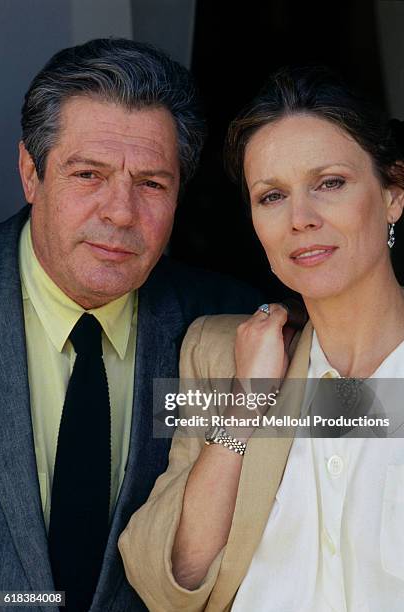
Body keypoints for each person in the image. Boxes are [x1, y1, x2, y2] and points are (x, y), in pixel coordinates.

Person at [119, 66, 404, 611]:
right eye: (272, 196)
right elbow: (165, 585)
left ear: (393, 192)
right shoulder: (215, 352)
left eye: (330, 183)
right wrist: (244, 409)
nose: (301, 218)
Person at [0, 38, 265, 612]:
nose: (120, 212)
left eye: (151, 184)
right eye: (89, 174)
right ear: (29, 172)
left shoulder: (224, 322)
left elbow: (375, 416)